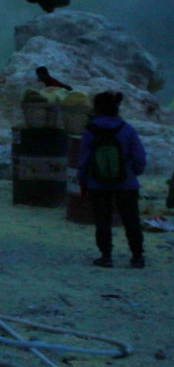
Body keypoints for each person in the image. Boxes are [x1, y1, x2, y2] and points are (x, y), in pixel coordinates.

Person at [78, 90, 147, 268]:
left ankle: (106, 256)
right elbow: (139, 158)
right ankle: (137, 257)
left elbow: (83, 160)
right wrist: (134, 173)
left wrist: (83, 181)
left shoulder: (89, 131)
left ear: (97, 108)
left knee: (103, 220)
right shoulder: (127, 129)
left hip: (97, 183)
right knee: (131, 219)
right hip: (127, 183)